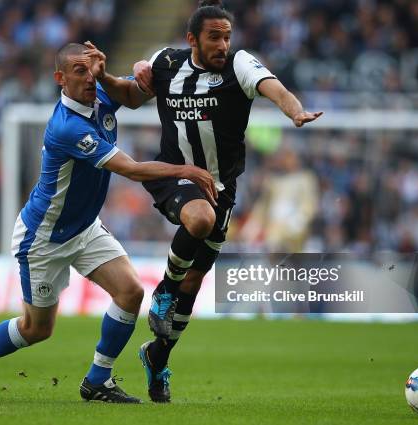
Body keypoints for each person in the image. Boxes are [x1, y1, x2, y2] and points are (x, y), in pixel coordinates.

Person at [0, 42, 217, 404]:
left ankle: (97, 381)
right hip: (44, 237)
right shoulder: (66, 127)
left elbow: (136, 95)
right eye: (78, 71)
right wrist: (186, 170)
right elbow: (131, 169)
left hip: (84, 227)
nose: (89, 78)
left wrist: (144, 68)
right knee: (36, 329)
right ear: (60, 78)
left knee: (131, 292)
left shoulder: (100, 92)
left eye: (91, 69)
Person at [89, 0, 322, 403]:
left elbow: (274, 88)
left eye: (227, 37)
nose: (223, 45)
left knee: (194, 283)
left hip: (222, 188)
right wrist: (105, 77)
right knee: (198, 219)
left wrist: (294, 111)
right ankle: (163, 288)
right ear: (192, 39)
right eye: (214, 37)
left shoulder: (240, 65)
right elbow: (129, 96)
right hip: (174, 175)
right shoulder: (165, 63)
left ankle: (157, 358)